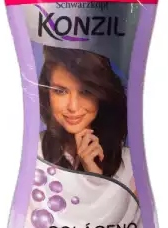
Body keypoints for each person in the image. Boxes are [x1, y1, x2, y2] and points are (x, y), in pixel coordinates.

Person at [37, 45, 136, 194]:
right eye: (60, 91)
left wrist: (95, 178)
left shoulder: (129, 166)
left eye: (85, 92)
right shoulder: (33, 152)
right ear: (47, 93)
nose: (73, 107)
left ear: (101, 95)